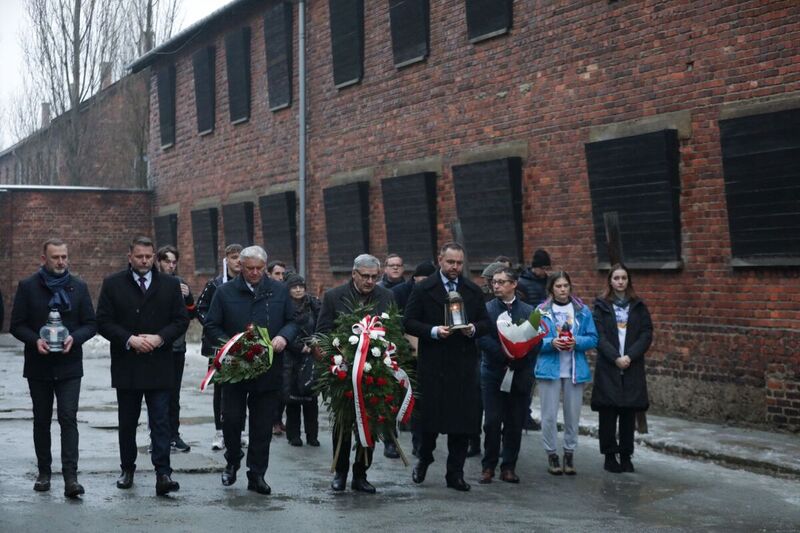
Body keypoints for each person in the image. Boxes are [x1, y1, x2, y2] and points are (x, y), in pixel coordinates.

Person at [96, 236, 189, 496]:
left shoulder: (170, 285)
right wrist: (129, 339)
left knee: (160, 420)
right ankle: (127, 468)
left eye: (148, 256)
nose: (145, 261)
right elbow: (102, 321)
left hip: (159, 363)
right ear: (130, 257)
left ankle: (163, 473)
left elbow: (181, 321)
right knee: (127, 421)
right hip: (128, 364)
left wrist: (160, 337)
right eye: (140, 256)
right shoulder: (113, 284)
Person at [204, 246, 298, 495]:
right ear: (240, 267)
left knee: (262, 425)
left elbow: (292, 321)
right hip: (236, 368)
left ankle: (257, 474)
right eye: (249, 268)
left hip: (268, 369)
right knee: (232, 420)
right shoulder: (225, 292)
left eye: (259, 268)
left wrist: (283, 338)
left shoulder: (278, 290)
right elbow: (211, 325)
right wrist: (230, 344)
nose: (255, 273)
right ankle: (232, 460)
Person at [10, 238, 97, 498]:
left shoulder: (78, 287)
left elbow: (91, 324)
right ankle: (44, 473)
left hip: (70, 365)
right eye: (55, 257)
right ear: (44, 259)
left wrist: (75, 338)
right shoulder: (28, 287)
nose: (61, 262)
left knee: (68, 418)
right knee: (41, 420)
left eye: (64, 257)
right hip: (39, 365)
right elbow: (17, 324)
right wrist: (34, 340)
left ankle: (71, 478)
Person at [404, 242, 490, 492]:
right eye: (450, 262)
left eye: (459, 263)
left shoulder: (472, 290)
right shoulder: (423, 289)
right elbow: (408, 322)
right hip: (433, 365)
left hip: (463, 366)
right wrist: (432, 331)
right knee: (429, 422)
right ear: (440, 260)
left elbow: (486, 322)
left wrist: (472, 329)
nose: (455, 267)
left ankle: (455, 473)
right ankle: (424, 459)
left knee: (462, 424)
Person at [316, 253, 395, 493]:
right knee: (343, 423)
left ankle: (361, 474)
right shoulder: (333, 296)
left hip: (374, 372)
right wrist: (337, 357)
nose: (370, 281)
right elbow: (322, 333)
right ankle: (340, 472)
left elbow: (393, 331)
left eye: (374, 276)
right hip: (343, 372)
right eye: (365, 276)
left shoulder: (387, 296)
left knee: (369, 423)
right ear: (353, 274)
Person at [477, 268, 541, 484]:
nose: (496, 286)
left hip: (520, 372)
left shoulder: (528, 310)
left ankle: (509, 466)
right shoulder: (486, 309)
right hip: (494, 371)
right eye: (494, 282)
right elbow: (482, 338)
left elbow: (536, 341)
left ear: (514, 284)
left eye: (502, 282)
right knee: (492, 421)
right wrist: (505, 354)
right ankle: (488, 466)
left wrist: (519, 356)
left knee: (515, 422)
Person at [591, 264, 653, 473]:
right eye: (616, 278)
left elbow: (646, 333)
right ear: (610, 281)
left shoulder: (638, 305)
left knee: (628, 412)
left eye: (624, 278)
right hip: (609, 365)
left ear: (628, 281)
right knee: (608, 413)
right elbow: (598, 335)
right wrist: (615, 357)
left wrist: (630, 356)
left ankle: (626, 454)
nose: (620, 282)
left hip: (631, 364)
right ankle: (609, 455)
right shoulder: (601, 305)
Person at [535, 271, 597, 476]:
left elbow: (593, 338)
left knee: (572, 415)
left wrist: (576, 342)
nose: (563, 290)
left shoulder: (582, 310)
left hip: (574, 370)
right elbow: (530, 340)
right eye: (558, 286)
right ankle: (551, 454)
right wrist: (550, 343)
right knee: (549, 416)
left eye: (566, 285)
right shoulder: (540, 311)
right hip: (549, 369)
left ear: (570, 287)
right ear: (551, 289)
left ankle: (569, 453)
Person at [197, 243, 244, 451]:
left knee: (243, 386)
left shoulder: (249, 283)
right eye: (234, 257)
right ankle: (219, 431)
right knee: (220, 388)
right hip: (219, 345)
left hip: (243, 343)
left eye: (241, 257)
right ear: (227, 259)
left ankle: (239, 431)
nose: (238, 262)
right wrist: (213, 324)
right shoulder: (215, 284)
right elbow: (200, 308)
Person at [156, 245, 196, 453]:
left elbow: (190, 314)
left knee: (174, 394)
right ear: (159, 262)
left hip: (177, 348)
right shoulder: (152, 282)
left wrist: (188, 297)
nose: (170, 265)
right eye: (167, 261)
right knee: (157, 396)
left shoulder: (180, 283)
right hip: (155, 348)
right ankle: (159, 436)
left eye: (174, 262)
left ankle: (174, 434)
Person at [282, 274, 321, 447]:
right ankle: (293, 435)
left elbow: (322, 325)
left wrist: (314, 344)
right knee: (293, 400)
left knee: (311, 397)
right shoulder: (283, 306)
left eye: (301, 286)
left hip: (311, 356)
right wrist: (297, 346)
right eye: (294, 286)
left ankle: (312, 435)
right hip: (290, 358)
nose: (298, 290)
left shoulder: (313, 305)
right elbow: (281, 331)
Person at [267, 259, 288, 436]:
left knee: (283, 387)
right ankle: (272, 420)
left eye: (283, 274)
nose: (281, 278)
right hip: (268, 347)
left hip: (285, 347)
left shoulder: (285, 292)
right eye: (277, 274)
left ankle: (279, 418)